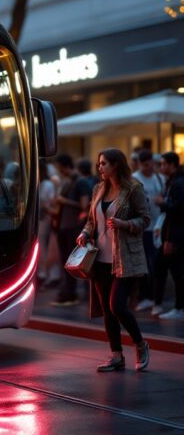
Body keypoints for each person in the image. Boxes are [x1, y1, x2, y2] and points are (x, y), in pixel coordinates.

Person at [77, 148, 150, 372]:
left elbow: (145, 219)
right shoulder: (99, 188)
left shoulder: (133, 189)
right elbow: (92, 220)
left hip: (124, 257)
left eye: (104, 164)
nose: (100, 167)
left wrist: (125, 224)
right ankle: (116, 355)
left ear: (116, 165)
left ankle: (140, 344)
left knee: (117, 305)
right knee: (107, 310)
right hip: (99, 258)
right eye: (99, 164)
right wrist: (85, 233)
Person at [52, 153, 92, 306]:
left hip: (73, 227)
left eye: (59, 167)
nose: (58, 170)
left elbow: (84, 206)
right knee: (66, 261)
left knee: (72, 261)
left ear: (63, 166)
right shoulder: (68, 181)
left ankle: (71, 292)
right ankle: (67, 292)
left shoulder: (79, 182)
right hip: (65, 226)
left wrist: (64, 201)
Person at [131, 149, 166, 312]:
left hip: (158, 227)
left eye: (152, 164)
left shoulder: (159, 177)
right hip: (143, 228)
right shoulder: (135, 179)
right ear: (139, 164)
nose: (150, 167)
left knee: (156, 263)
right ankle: (145, 296)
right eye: (146, 165)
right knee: (145, 263)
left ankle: (154, 297)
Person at [151, 152, 184, 319]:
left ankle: (179, 308)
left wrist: (161, 203)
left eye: (164, 164)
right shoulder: (171, 182)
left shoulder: (178, 183)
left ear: (172, 165)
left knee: (177, 272)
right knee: (160, 267)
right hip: (168, 235)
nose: (161, 167)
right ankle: (158, 303)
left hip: (174, 236)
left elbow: (177, 211)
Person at [37, 159, 57, 287]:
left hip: (44, 218)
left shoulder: (47, 184)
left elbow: (50, 203)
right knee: (42, 246)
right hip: (42, 218)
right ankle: (44, 273)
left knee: (43, 246)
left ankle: (44, 273)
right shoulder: (45, 183)